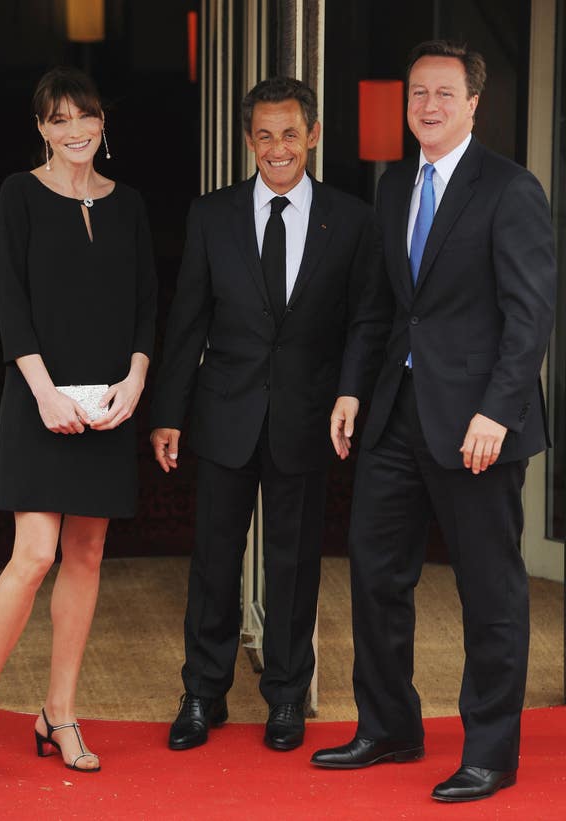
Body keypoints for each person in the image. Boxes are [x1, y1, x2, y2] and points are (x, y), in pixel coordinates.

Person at [311, 41, 556, 803]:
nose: (429, 105)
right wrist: (353, 390)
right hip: (395, 414)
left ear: (475, 103)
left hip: (478, 423)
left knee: (490, 591)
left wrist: (497, 408)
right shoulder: (393, 188)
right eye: (419, 92)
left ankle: (490, 751)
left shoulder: (510, 189)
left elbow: (531, 314)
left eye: (445, 93)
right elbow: (381, 307)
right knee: (376, 572)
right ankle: (390, 726)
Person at [150, 77, 388, 752]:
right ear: (247, 140)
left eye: (290, 133)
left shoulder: (352, 220)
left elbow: (367, 318)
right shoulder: (211, 215)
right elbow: (188, 320)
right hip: (225, 413)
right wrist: (169, 411)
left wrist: (349, 392)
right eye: (264, 134)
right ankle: (202, 692)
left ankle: (286, 696)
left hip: (307, 417)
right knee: (213, 560)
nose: (277, 148)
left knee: (293, 562)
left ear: (312, 135)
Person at [0, 66, 156, 790]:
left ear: (103, 123)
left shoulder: (128, 206)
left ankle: (58, 711)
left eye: (84, 117)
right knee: (33, 554)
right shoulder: (18, 196)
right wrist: (44, 392)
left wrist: (136, 379)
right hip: (39, 399)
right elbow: (11, 302)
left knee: (86, 556)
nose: (74, 130)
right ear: (41, 127)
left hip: (110, 402)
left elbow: (146, 304)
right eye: (59, 119)